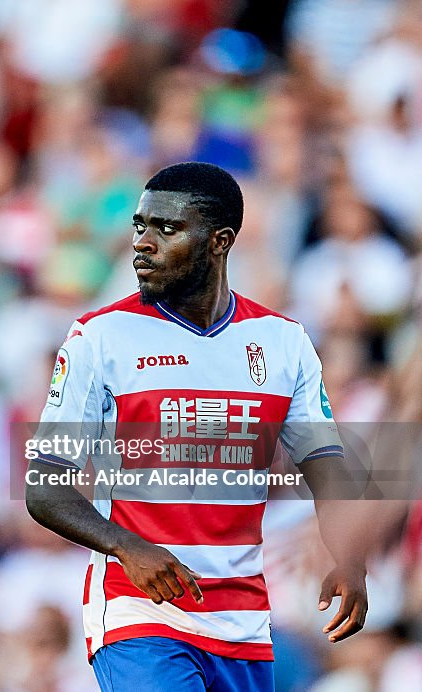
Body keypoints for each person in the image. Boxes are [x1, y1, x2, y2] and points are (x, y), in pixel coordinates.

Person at [25, 162, 368, 691]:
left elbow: (324, 463)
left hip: (243, 620)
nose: (143, 242)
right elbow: (44, 487)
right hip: (138, 612)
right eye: (140, 225)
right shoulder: (99, 338)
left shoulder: (283, 342)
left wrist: (349, 555)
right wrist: (126, 546)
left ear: (219, 241)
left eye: (167, 229)